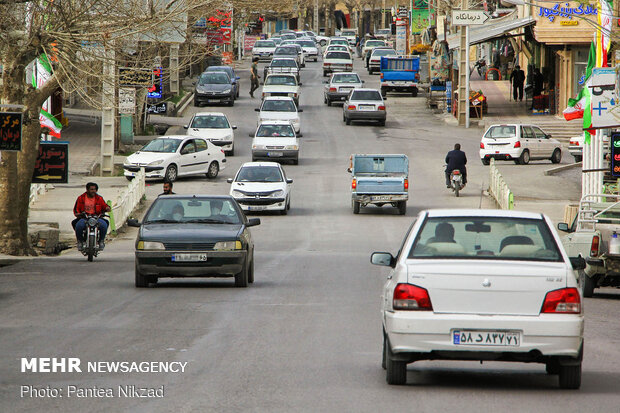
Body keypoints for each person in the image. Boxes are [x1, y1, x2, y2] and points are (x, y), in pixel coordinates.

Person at [73, 182, 111, 250]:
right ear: (87, 190)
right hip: (85, 218)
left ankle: (101, 241)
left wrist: (107, 208)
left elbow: (104, 206)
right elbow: (76, 209)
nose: (93, 191)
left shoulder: (99, 198)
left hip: (96, 218)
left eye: (94, 189)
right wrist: (78, 214)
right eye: (91, 189)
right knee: (79, 226)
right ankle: (80, 241)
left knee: (104, 225)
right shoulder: (81, 198)